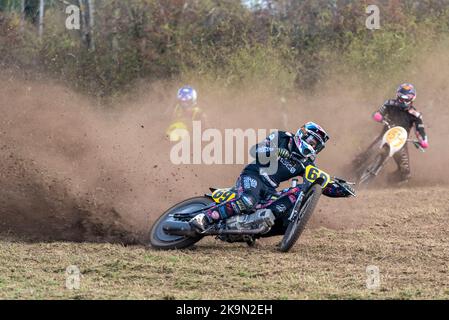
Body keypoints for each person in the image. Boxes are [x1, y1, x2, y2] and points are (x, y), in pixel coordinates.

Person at [190, 122, 354, 231]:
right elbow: (255, 150)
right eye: (312, 141)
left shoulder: (306, 163)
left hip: (269, 189)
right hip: (253, 176)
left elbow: (317, 183)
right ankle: (204, 217)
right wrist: (276, 151)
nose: (313, 147)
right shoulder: (282, 138)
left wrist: (340, 190)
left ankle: (247, 230)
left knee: (279, 211)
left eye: (317, 145)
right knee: (247, 201)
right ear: (303, 134)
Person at [353, 83, 429, 183]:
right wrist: (378, 116)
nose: (403, 101)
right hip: (385, 136)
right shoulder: (389, 103)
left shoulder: (416, 114)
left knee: (405, 173)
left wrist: (423, 141)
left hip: (400, 142)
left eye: (407, 98)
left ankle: (386, 181)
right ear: (397, 95)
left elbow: (420, 130)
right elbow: (378, 112)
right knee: (366, 155)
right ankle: (349, 170)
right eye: (401, 98)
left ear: (412, 99)